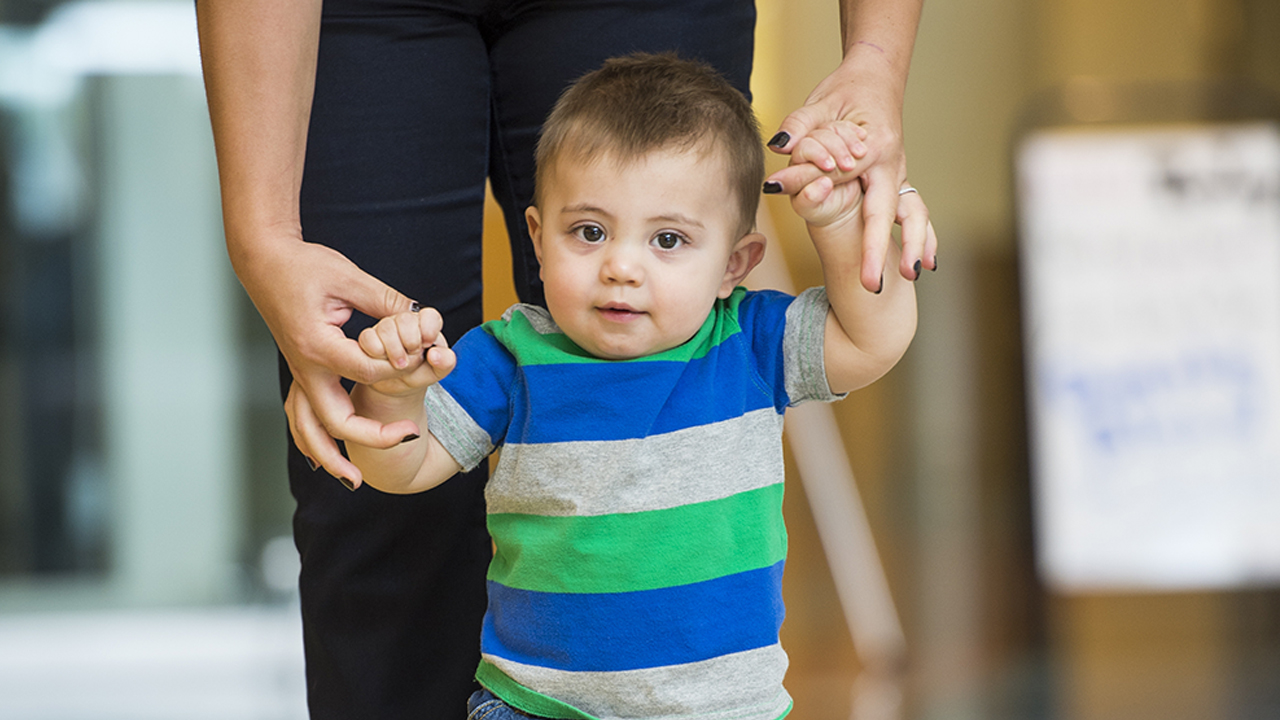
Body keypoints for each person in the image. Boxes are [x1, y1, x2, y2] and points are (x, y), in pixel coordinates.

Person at [195, 1, 933, 716]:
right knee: (373, 539)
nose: (622, 268)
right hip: (532, 709)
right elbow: (401, 471)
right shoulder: (507, 359)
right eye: (588, 232)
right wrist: (393, 392)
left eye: (667, 240)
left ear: (737, 262)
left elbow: (871, 339)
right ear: (537, 235)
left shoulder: (749, 345)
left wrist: (839, 222)